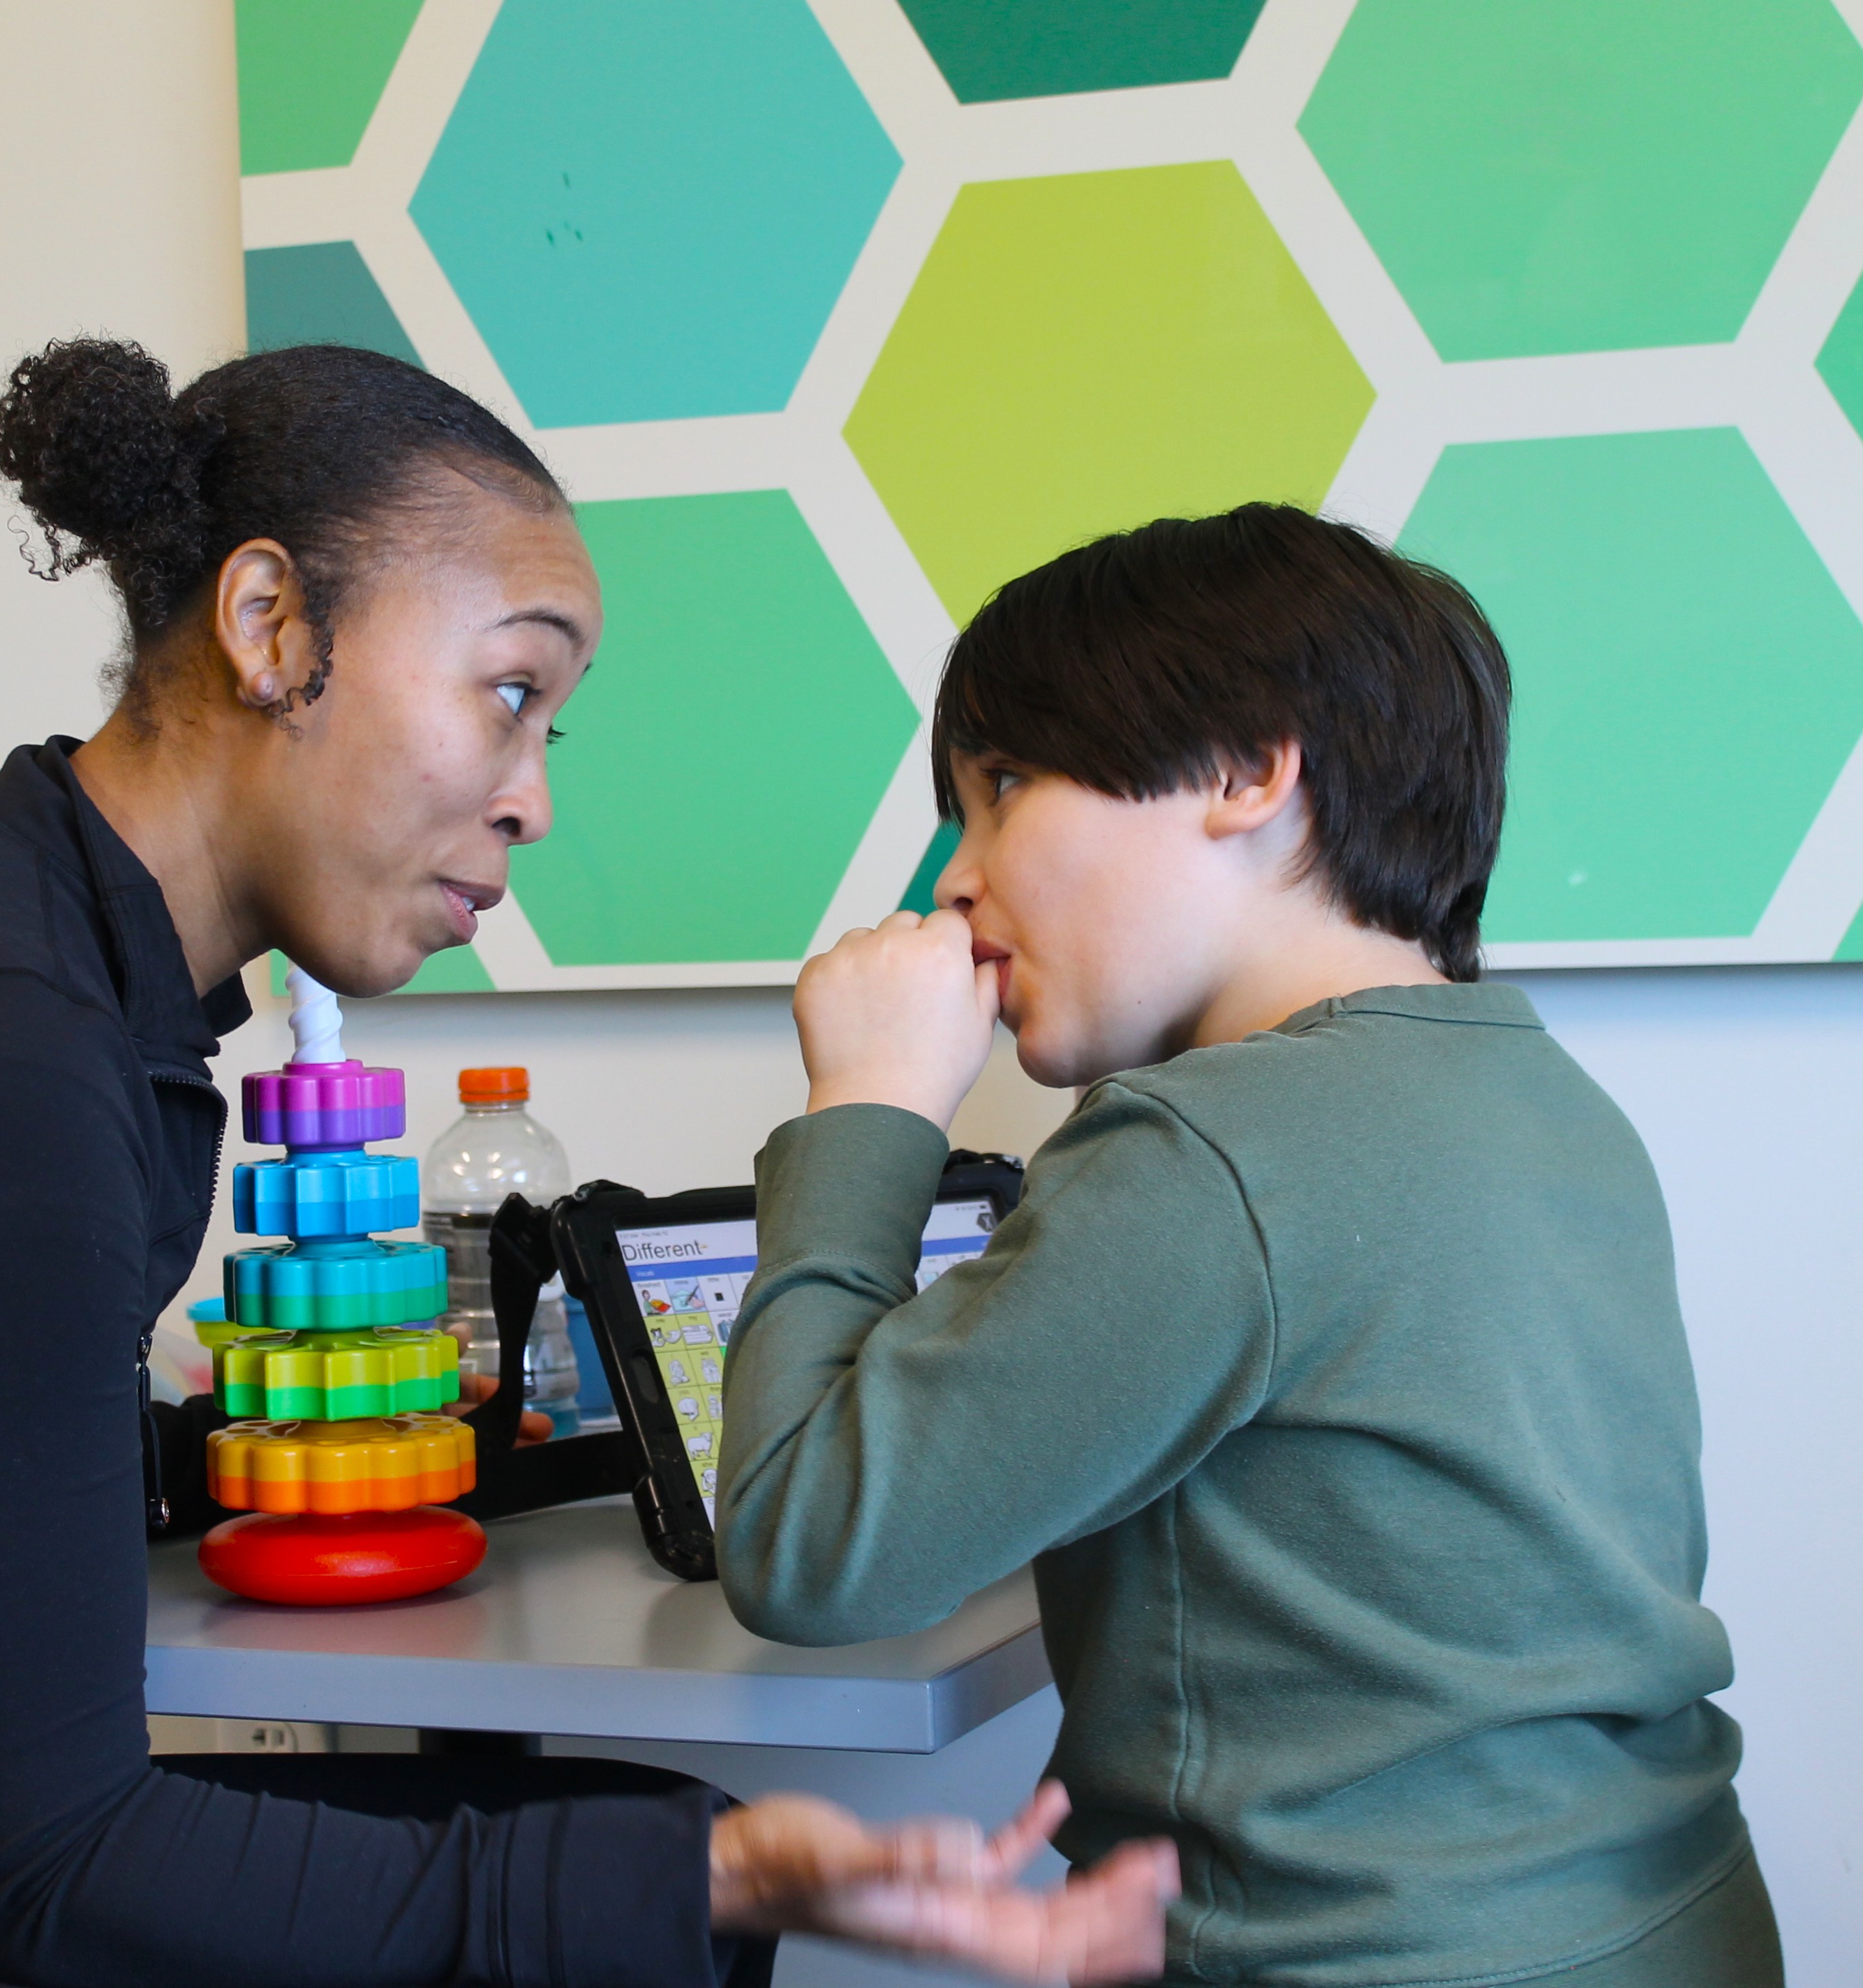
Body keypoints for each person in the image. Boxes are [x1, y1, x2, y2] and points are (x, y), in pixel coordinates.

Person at [0, 340, 1177, 1988]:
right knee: (655, 1890)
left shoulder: (58, 968)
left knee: (643, 1861)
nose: (536, 793)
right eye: (509, 691)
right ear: (271, 627)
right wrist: (715, 1879)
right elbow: (56, 1858)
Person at [714, 506, 1786, 1987]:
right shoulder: (1547, 1097)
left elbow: (801, 1543)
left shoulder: (1208, 1147)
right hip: (1668, 1925)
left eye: (1005, 786)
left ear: (1245, 770)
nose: (954, 876)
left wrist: (868, 1106)